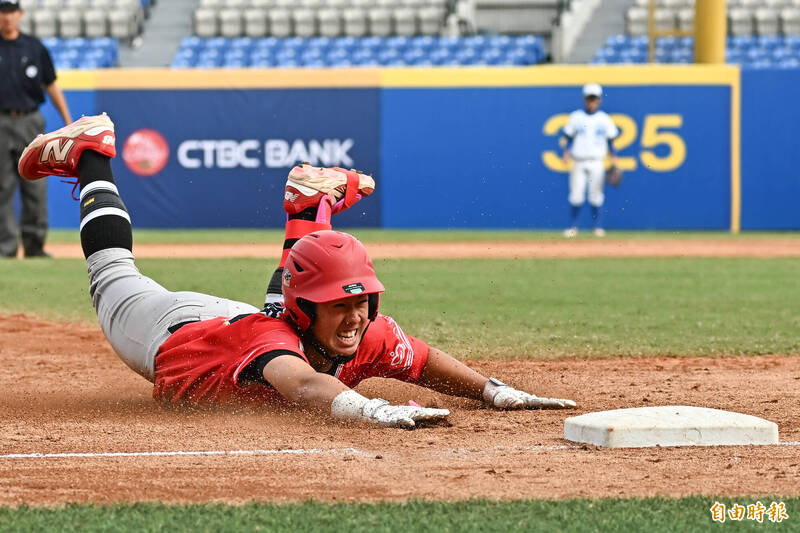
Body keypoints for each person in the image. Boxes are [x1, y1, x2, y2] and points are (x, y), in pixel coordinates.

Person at [18, 113, 576, 428]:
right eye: (340, 303)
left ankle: (309, 210)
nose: (357, 315)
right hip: (171, 333)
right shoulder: (276, 341)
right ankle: (93, 152)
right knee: (113, 275)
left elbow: (426, 361)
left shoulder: (363, 332)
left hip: (243, 327)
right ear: (306, 307)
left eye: (362, 301)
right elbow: (304, 382)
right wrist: (373, 410)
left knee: (282, 317)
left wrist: (495, 392)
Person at [0, 0, 72, 258]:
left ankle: (35, 245)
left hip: (30, 119)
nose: (6, 18)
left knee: (36, 183)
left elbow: (51, 84)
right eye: (2, 12)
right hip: (1, 120)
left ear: (20, 14)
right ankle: (5, 247)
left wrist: (67, 118)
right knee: (2, 186)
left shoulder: (34, 47)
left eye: (11, 12)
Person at [560, 83, 619, 238]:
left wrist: (614, 156)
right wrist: (566, 152)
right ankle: (573, 227)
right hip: (578, 160)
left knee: (596, 195)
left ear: (599, 100)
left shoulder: (604, 119)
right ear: (584, 99)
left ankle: (597, 227)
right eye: (589, 98)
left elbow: (611, 140)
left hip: (597, 161)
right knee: (576, 195)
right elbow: (569, 137)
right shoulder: (576, 116)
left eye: (594, 98)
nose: (591, 101)